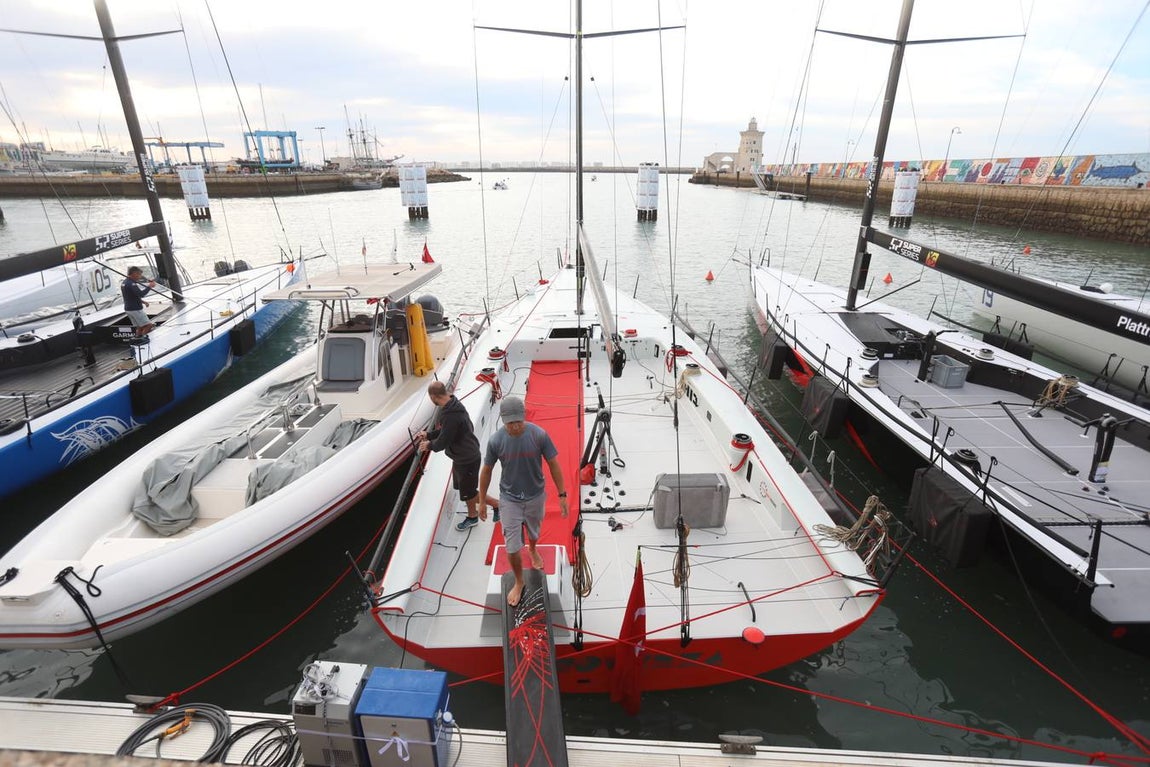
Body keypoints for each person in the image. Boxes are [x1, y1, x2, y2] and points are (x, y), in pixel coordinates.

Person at [478, 395, 569, 607]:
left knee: (534, 531)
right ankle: (519, 581)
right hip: (509, 498)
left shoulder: (538, 435)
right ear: (503, 420)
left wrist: (562, 494)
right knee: (511, 546)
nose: (516, 426)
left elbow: (554, 464)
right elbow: (486, 471)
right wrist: (482, 500)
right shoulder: (495, 441)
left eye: (519, 420)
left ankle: (533, 548)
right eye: (511, 422)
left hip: (535, 494)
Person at [415, 381, 497, 530]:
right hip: (461, 457)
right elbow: (446, 432)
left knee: (469, 492)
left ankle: (474, 517)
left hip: (467, 458)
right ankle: (494, 505)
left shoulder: (450, 415)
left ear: (434, 396)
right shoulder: (452, 404)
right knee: (466, 490)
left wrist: (428, 445)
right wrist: (429, 434)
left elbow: (443, 442)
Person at [121, 266, 156, 337]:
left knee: (139, 327)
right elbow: (141, 294)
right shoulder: (131, 284)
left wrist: (143, 302)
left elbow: (131, 296)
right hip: (135, 309)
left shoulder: (124, 282)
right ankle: (144, 340)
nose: (140, 277)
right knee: (148, 325)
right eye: (139, 274)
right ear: (134, 273)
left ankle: (138, 340)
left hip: (128, 309)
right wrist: (150, 286)